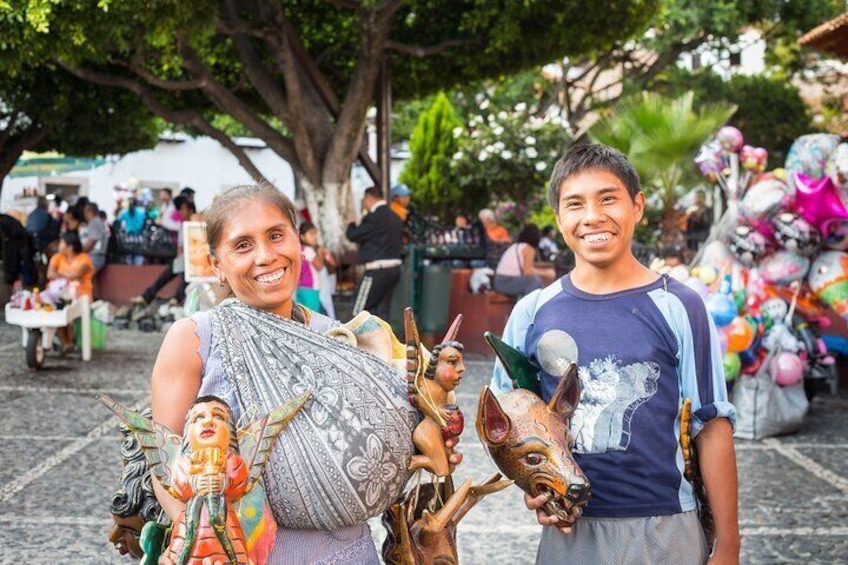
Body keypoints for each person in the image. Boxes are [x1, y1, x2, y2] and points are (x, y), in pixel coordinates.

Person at [149, 183, 448, 564]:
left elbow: (387, 439)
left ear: (298, 243)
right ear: (216, 266)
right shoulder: (195, 339)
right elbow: (164, 464)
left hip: (349, 553)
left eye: (276, 236)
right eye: (243, 245)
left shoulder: (337, 337)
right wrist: (209, 543)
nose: (266, 256)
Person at [491, 144, 739, 565]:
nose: (592, 216)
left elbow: (711, 425)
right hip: (571, 535)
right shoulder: (532, 313)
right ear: (559, 219)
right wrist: (538, 490)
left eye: (608, 198)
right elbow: (505, 427)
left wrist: (729, 546)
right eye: (575, 204)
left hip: (665, 527)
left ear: (637, 206)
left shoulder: (679, 305)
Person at [346, 186, 404, 321]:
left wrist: (352, 224)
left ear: (369, 198)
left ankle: (352, 342)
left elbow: (354, 235)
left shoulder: (373, 217)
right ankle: (382, 342)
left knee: (358, 310)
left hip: (376, 271)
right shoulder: (396, 217)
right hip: (394, 269)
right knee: (382, 313)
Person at [130, 197, 194, 306]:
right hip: (182, 257)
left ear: (190, 210)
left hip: (192, 258)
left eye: (183, 209)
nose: (181, 212)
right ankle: (146, 297)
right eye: (180, 209)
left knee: (186, 278)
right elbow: (180, 244)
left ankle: (177, 299)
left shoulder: (196, 224)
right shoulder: (182, 225)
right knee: (164, 276)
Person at [47, 231, 94, 351]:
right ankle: (66, 343)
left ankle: (70, 341)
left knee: (68, 309)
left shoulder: (85, 258)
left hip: (81, 295)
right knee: (57, 310)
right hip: (60, 294)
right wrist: (69, 276)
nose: (59, 245)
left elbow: (78, 273)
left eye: (62, 242)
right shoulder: (57, 257)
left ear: (70, 246)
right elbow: (50, 274)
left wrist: (60, 273)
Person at [493, 223, 556, 299]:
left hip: (498, 281)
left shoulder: (516, 246)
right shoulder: (529, 249)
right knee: (534, 281)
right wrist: (546, 273)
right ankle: (529, 309)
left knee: (532, 281)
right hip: (506, 282)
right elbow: (528, 271)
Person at [0, 212, 36, 288]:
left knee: (14, 269)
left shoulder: (4, 221)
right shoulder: (6, 219)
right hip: (21, 245)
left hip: (16, 246)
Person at [295, 221, 324, 313]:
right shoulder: (308, 250)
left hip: (301, 287)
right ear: (302, 236)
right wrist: (320, 253)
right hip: (311, 288)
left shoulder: (300, 249)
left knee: (304, 314)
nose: (315, 236)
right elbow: (319, 266)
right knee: (313, 316)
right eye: (311, 234)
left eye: (315, 233)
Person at [83, 202, 109, 271]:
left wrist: (80, 251)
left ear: (88, 211)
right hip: (98, 256)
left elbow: (92, 241)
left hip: (95, 256)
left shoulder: (94, 222)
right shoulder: (98, 221)